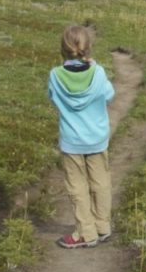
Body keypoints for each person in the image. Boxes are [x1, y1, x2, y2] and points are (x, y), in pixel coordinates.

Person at [47, 24, 115, 249]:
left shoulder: (56, 75)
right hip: (97, 138)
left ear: (63, 49)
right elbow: (109, 95)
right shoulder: (98, 72)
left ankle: (86, 232)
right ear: (88, 48)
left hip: (72, 141)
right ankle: (102, 226)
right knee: (101, 182)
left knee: (77, 187)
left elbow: (52, 97)